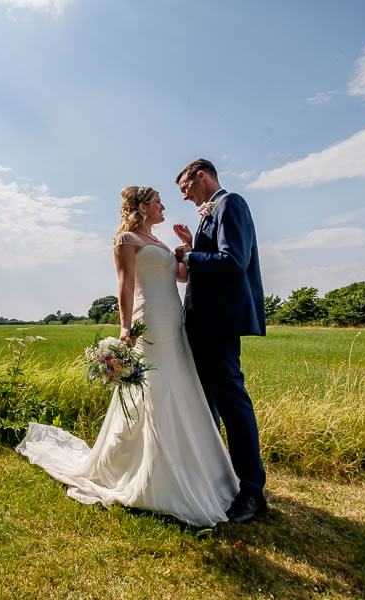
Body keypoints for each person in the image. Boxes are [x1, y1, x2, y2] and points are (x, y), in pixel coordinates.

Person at [16, 185, 239, 527]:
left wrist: (187, 247)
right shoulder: (126, 240)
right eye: (158, 202)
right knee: (153, 387)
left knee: (179, 384)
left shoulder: (160, 242)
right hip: (149, 318)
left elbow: (182, 276)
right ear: (142, 206)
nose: (164, 206)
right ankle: (146, 471)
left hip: (173, 321)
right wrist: (125, 326)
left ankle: (189, 467)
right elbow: (126, 283)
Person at [174, 158, 268, 523]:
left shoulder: (231, 203)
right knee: (207, 404)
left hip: (219, 322)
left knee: (231, 403)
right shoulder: (209, 213)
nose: (186, 196)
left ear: (201, 176)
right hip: (201, 322)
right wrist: (192, 243)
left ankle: (252, 492)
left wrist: (188, 254)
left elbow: (232, 260)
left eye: (186, 188)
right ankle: (216, 480)